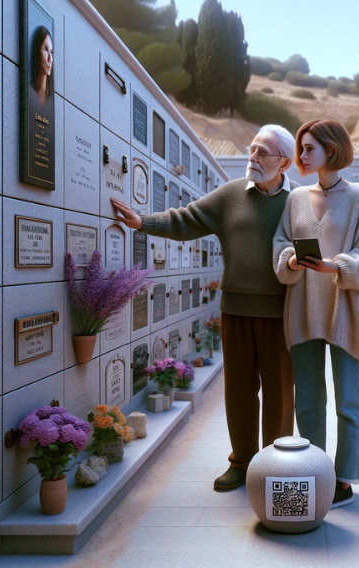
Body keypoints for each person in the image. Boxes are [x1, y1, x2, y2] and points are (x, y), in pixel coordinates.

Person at [111, 125, 298, 491]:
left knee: (279, 393)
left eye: (263, 152)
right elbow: (186, 219)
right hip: (236, 310)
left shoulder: (299, 202)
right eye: (253, 149)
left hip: (281, 315)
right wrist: (143, 222)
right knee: (239, 391)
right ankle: (242, 462)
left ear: (285, 163)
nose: (253, 157)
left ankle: (274, 463)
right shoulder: (231, 195)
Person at [273, 119, 359, 508]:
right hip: (303, 310)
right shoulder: (295, 198)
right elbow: (282, 244)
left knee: (348, 401)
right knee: (308, 399)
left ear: (331, 150)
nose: (301, 155)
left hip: (344, 313)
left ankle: (344, 478)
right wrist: (292, 260)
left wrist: (337, 266)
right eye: (301, 148)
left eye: (308, 148)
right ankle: (315, 472)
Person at [30, 25, 53, 109]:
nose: (50, 59)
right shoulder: (30, 91)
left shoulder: (51, 97)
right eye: (45, 49)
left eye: (51, 52)